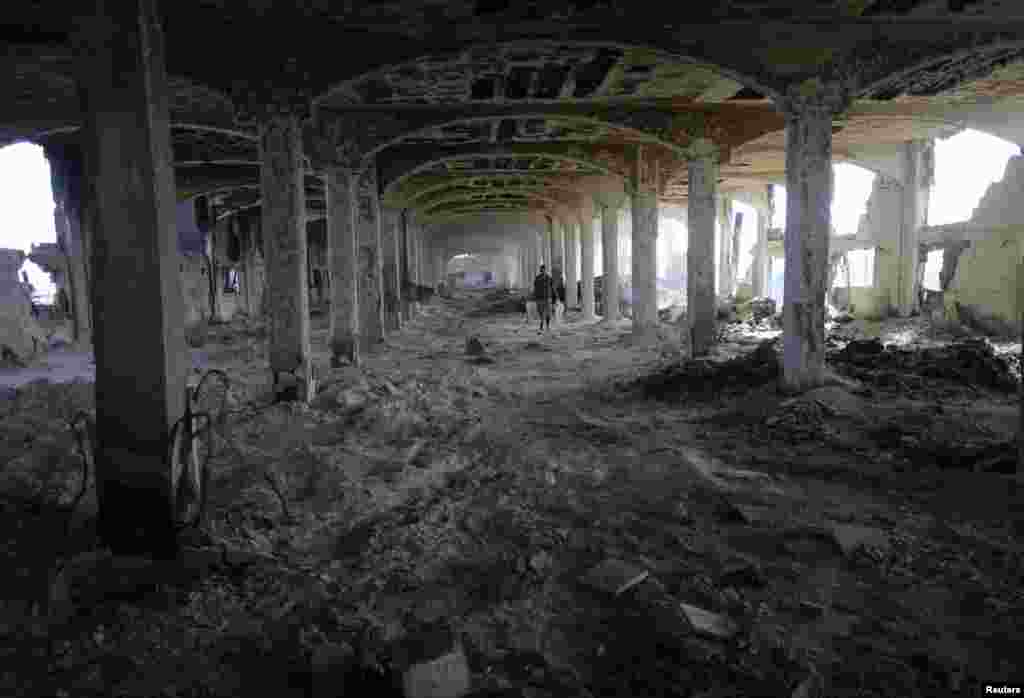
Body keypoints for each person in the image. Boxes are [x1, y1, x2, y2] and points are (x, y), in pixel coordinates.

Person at [533, 264, 553, 333]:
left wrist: (554, 297)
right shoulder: (537, 278)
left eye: (543, 269)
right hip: (540, 298)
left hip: (547, 297)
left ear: (545, 270)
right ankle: (542, 326)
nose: (543, 271)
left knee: (548, 313)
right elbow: (535, 288)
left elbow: (552, 287)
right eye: (542, 270)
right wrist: (534, 297)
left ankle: (547, 326)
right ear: (540, 270)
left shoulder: (548, 278)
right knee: (541, 313)